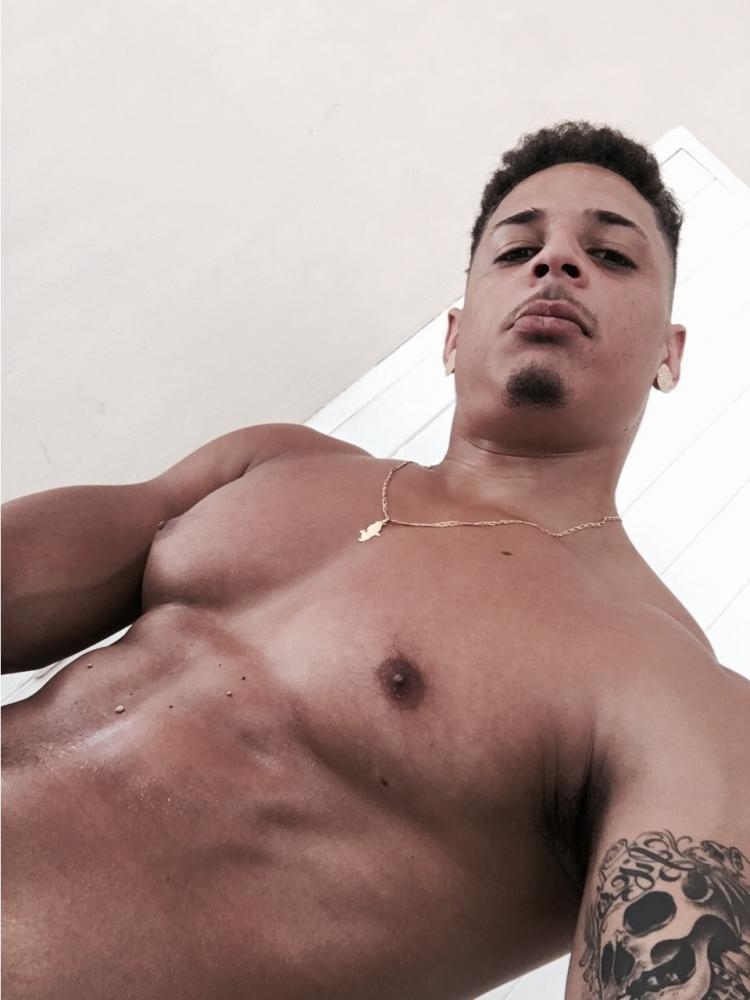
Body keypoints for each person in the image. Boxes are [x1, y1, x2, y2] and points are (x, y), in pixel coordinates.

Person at [2, 119, 749, 1000]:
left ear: (668, 354)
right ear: (453, 334)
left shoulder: (671, 685)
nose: (556, 262)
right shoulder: (271, 461)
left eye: (611, 256)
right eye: (518, 249)